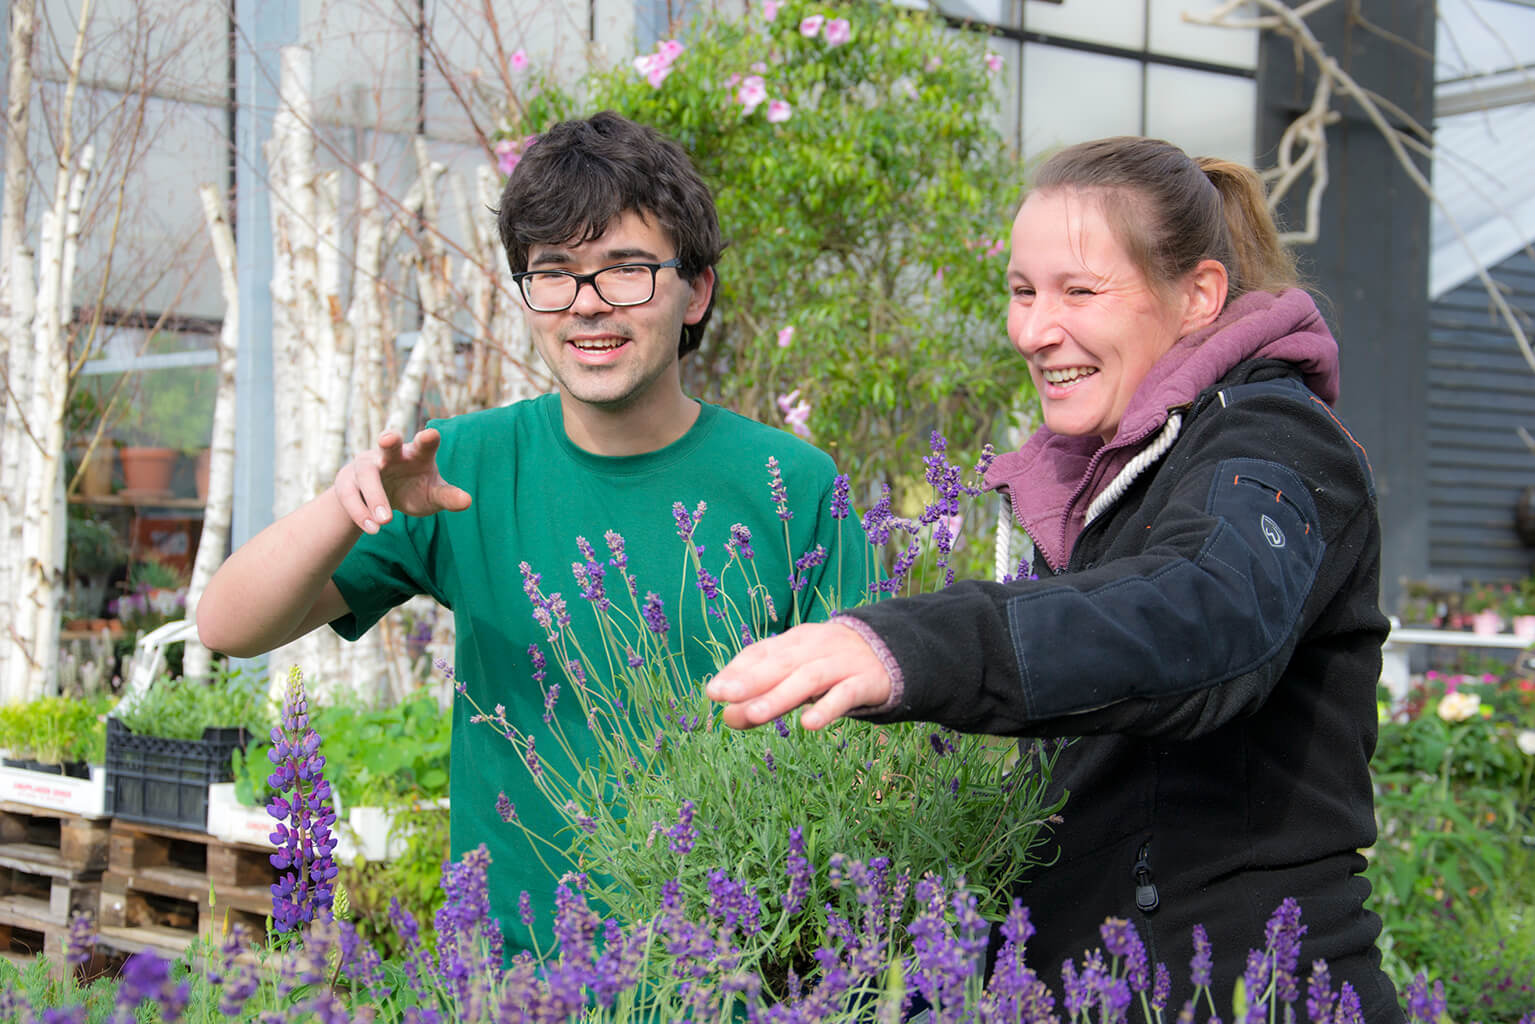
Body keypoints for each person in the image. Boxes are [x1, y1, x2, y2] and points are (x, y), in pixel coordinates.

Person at [707, 136, 1403, 1018]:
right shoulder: (1103, 470)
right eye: (1022, 291)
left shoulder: (1271, 441)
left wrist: (912, 647)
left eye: (1078, 291)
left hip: (1252, 990)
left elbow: (1202, 612)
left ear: (1197, 296)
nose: (1033, 331)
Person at [197, 110, 867, 958]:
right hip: (510, 977)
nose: (587, 304)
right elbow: (227, 625)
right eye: (553, 274)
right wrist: (345, 504)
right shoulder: (457, 469)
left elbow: (862, 753)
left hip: (725, 972)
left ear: (696, 290)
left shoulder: (790, 485)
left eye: (625, 270)